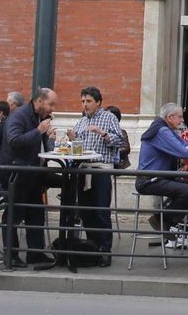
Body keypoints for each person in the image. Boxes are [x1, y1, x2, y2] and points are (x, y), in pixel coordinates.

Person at [0, 87, 58, 269]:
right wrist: (38, 131)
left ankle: (35, 254)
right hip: (16, 173)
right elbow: (14, 140)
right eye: (51, 104)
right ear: (39, 101)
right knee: (13, 215)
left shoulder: (39, 116)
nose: (52, 109)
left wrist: (48, 137)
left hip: (32, 173)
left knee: (35, 213)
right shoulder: (19, 116)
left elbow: (39, 145)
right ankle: (11, 255)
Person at [71, 86, 122, 264]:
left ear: (98, 102)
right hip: (83, 169)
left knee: (101, 211)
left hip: (101, 170)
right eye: (83, 101)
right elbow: (76, 145)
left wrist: (103, 133)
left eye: (89, 101)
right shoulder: (81, 121)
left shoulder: (109, 118)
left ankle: (105, 250)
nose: (85, 105)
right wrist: (71, 138)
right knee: (86, 212)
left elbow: (120, 141)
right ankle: (92, 247)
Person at [136, 103, 188, 241]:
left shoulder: (165, 129)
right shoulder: (162, 131)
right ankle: (162, 220)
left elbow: (185, 146)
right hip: (149, 180)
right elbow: (184, 152)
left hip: (161, 177)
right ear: (170, 117)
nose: (182, 120)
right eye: (180, 117)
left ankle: (170, 222)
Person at [104, 105, 131, 170]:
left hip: (117, 164)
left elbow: (126, 148)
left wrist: (113, 151)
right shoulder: (102, 130)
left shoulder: (121, 132)